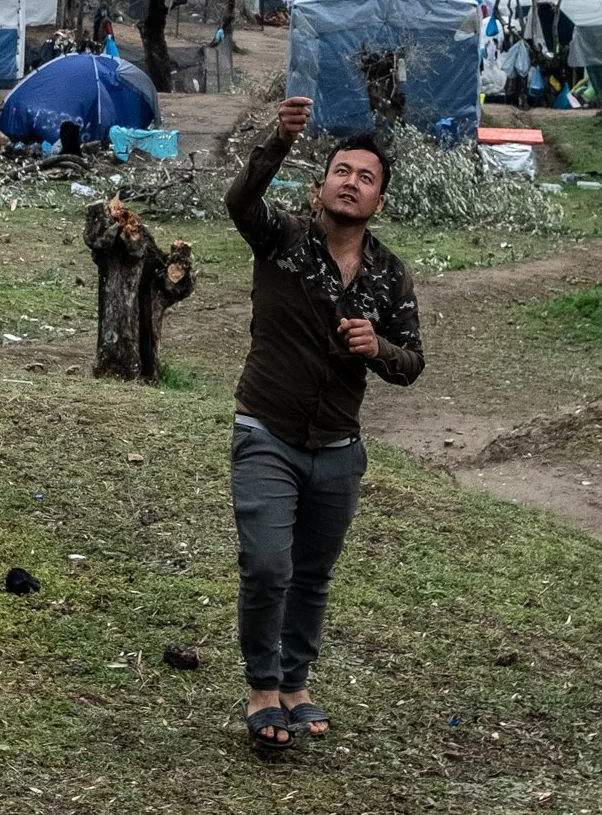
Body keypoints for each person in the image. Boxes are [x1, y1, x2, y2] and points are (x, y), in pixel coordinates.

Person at [223, 96, 422, 752]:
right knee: (266, 565)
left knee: (311, 574)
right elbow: (239, 201)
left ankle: (296, 683)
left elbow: (412, 362)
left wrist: (379, 349)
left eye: (366, 177)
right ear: (320, 184)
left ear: (379, 201)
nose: (352, 181)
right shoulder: (280, 238)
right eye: (342, 170)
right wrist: (275, 142)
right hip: (266, 434)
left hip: (338, 449)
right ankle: (262, 687)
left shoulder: (390, 276)